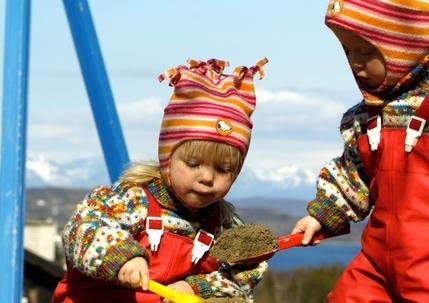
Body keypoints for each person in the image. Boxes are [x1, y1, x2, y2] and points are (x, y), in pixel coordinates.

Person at [52, 57, 269, 303]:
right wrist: (124, 256)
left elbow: (243, 275)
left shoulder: (225, 228)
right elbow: (84, 227)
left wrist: (194, 288)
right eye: (193, 164)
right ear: (167, 159)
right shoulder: (131, 201)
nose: (207, 177)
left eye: (223, 169)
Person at [291, 0, 429, 301]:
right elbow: (352, 174)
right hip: (377, 260)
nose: (355, 62)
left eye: (365, 51)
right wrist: (323, 214)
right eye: (348, 50)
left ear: (406, 47)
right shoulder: (367, 118)